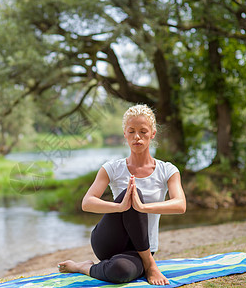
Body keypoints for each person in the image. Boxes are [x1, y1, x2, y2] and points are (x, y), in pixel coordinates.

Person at [57, 104, 186, 285]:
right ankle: (150, 265)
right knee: (132, 193)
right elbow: (87, 202)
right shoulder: (112, 168)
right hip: (109, 241)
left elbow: (180, 205)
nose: (137, 137)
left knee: (121, 271)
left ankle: (83, 267)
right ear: (125, 134)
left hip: (142, 249)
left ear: (153, 133)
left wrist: (142, 207)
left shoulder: (167, 170)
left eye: (143, 131)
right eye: (131, 131)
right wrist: (120, 207)